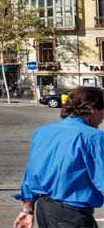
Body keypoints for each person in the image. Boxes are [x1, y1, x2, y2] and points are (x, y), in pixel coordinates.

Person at [13, 86, 104, 228]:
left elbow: (32, 174)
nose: (102, 118)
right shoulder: (93, 137)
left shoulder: (43, 132)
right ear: (93, 109)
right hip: (72, 214)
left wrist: (27, 209)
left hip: (45, 210)